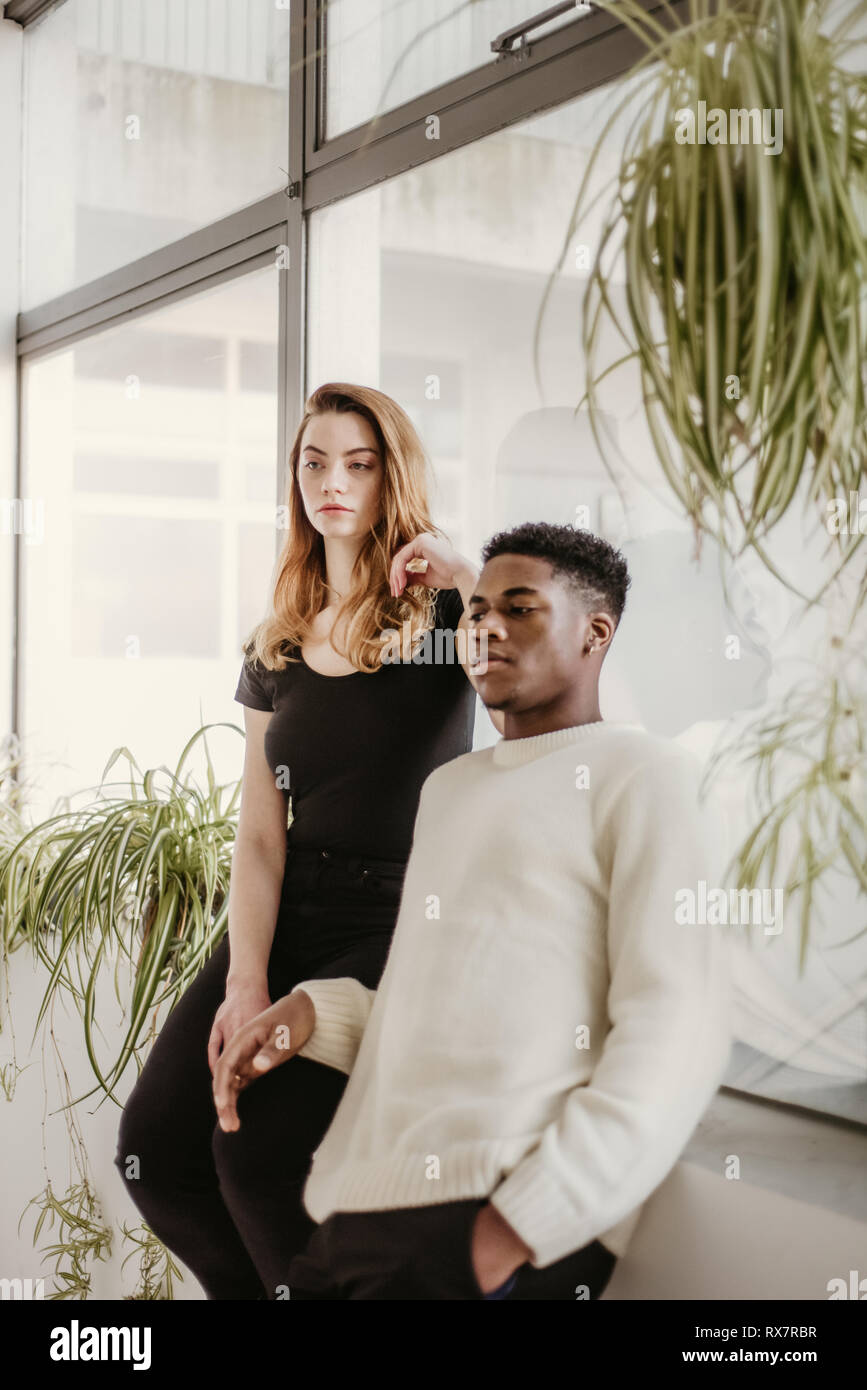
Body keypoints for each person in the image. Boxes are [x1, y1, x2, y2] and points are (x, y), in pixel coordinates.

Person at [212, 521, 734, 1300]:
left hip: (491, 1225)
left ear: (598, 632)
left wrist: (517, 1229)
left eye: (519, 608)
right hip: (364, 1215)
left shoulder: (647, 774)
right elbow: (440, 1005)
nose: (485, 624)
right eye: (478, 608)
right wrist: (315, 1013)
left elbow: (678, 1024)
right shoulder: (450, 791)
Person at [114, 383, 503, 1300]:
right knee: (156, 1153)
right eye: (314, 461)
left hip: (398, 916)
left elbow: (549, 657)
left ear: (390, 477)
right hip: (287, 911)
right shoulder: (276, 642)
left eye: (359, 464)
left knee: (256, 1152)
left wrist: (463, 572)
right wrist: (245, 974)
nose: (333, 481)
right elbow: (259, 831)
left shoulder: (450, 621)